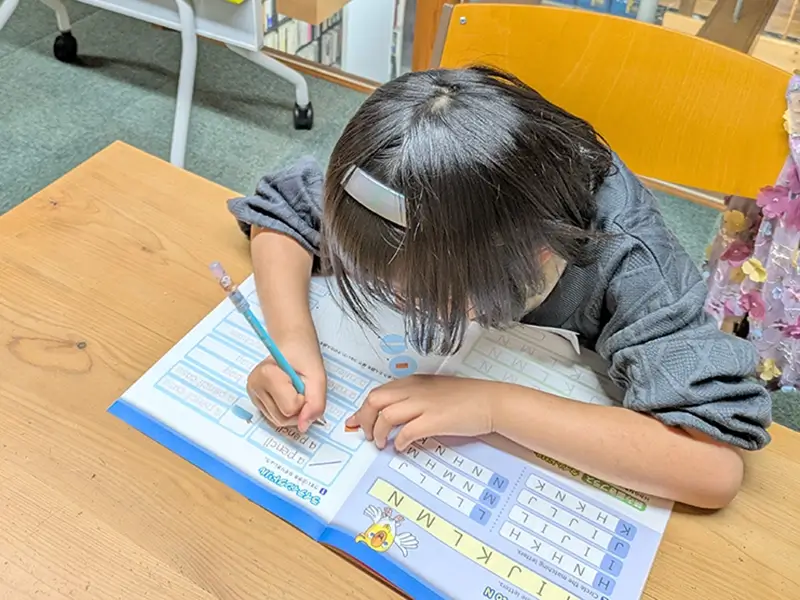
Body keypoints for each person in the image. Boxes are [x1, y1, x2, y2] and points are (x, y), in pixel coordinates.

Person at [228, 65, 771, 509]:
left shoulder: (631, 258)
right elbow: (284, 212)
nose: (399, 303)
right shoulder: (403, 181)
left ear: (538, 256)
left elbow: (712, 468)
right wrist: (294, 345)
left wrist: (492, 406)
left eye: (421, 298)